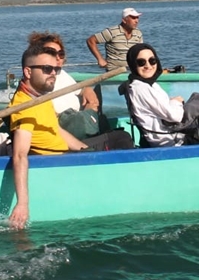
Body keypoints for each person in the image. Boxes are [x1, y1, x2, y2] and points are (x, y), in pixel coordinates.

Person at [8, 44, 134, 229]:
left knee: (115, 136)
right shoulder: (24, 107)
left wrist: (85, 150)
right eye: (47, 69)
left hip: (68, 152)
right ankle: (125, 193)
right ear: (28, 72)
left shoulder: (39, 97)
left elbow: (57, 131)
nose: (53, 74)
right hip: (58, 161)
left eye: (56, 69)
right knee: (120, 139)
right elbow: (19, 155)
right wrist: (23, 204)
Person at [29, 31, 103, 139]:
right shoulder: (38, 82)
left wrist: (87, 90)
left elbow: (80, 90)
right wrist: (88, 114)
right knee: (121, 139)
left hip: (81, 127)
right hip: (65, 135)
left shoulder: (61, 74)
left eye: (61, 54)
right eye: (51, 53)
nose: (58, 57)